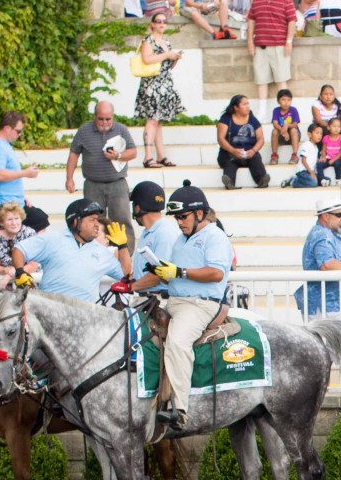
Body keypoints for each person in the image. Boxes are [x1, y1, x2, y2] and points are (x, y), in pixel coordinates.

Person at [138, 186, 234, 431]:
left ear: (200, 214)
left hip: (200, 305)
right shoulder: (181, 239)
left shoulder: (215, 236)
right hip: (174, 301)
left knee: (178, 343)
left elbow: (216, 273)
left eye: (183, 217)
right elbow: (176, 275)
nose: (179, 222)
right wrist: (161, 271)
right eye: (176, 218)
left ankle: (179, 410)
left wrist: (178, 272)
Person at [14, 198, 124, 300]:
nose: (97, 225)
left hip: (86, 316)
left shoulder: (102, 251)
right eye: (92, 220)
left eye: (97, 220)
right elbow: (19, 249)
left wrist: (123, 247)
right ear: (76, 222)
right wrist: (20, 272)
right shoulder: (52, 239)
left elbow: (126, 274)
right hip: (51, 311)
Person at [66, 101, 138, 234]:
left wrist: (118, 155)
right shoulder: (84, 131)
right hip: (93, 184)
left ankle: (125, 252)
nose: (104, 122)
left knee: (122, 220)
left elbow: (133, 152)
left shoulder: (121, 129)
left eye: (108, 119)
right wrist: (69, 178)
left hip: (117, 183)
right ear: (95, 116)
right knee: (93, 221)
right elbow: (74, 154)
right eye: (101, 119)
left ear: (113, 117)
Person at [133, 13, 184, 168]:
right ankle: (148, 157)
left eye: (164, 21)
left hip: (164, 83)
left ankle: (161, 155)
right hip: (152, 84)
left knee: (159, 120)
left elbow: (167, 65)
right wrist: (167, 54)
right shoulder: (148, 40)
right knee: (152, 119)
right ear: (152, 24)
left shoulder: (165, 42)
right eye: (158, 21)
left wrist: (174, 58)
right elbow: (146, 59)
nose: (162, 23)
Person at [0, 110, 46, 231]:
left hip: (13, 201)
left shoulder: (4, 146)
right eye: (18, 131)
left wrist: (21, 197)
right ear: (7, 128)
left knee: (40, 220)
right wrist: (25, 173)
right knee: (39, 221)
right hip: (3, 203)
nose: (20, 134)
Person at [245, 0, 296, 114]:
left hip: (279, 45)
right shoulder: (257, 0)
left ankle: (285, 111)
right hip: (261, 45)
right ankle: (262, 112)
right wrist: (250, 41)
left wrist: (289, 41)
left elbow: (291, 21)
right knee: (261, 80)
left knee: (281, 79)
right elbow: (251, 21)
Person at [300, 195, 341, 316]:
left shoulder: (330, 235)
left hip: (332, 306)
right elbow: (327, 264)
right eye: (339, 215)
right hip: (326, 308)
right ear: (325, 216)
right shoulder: (322, 235)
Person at [128, 180, 181, 282]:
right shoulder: (149, 232)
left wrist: (131, 287)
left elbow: (159, 274)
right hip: (148, 295)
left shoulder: (164, 232)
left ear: (138, 207)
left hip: (158, 296)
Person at [216, 95, 269, 188]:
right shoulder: (226, 119)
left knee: (256, 159)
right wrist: (233, 151)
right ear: (236, 107)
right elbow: (221, 139)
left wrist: (253, 150)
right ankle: (229, 182)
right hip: (230, 152)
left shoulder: (252, 119)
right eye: (244, 104)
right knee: (229, 162)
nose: (248, 106)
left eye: (248, 104)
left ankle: (262, 180)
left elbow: (261, 139)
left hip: (249, 152)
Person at [0, 202, 40, 288]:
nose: (14, 223)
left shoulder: (29, 234)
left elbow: (33, 266)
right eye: (10, 219)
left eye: (17, 218)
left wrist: (9, 275)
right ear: (1, 222)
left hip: (29, 282)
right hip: (3, 284)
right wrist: (6, 270)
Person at [269, 89, 302, 166]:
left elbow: (295, 124)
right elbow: (275, 124)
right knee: (274, 131)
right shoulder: (276, 110)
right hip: (282, 136)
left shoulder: (293, 110)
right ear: (278, 101)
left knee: (293, 130)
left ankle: (294, 155)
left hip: (293, 136)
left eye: (288, 100)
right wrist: (284, 132)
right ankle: (274, 155)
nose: (286, 102)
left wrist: (286, 126)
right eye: (283, 100)